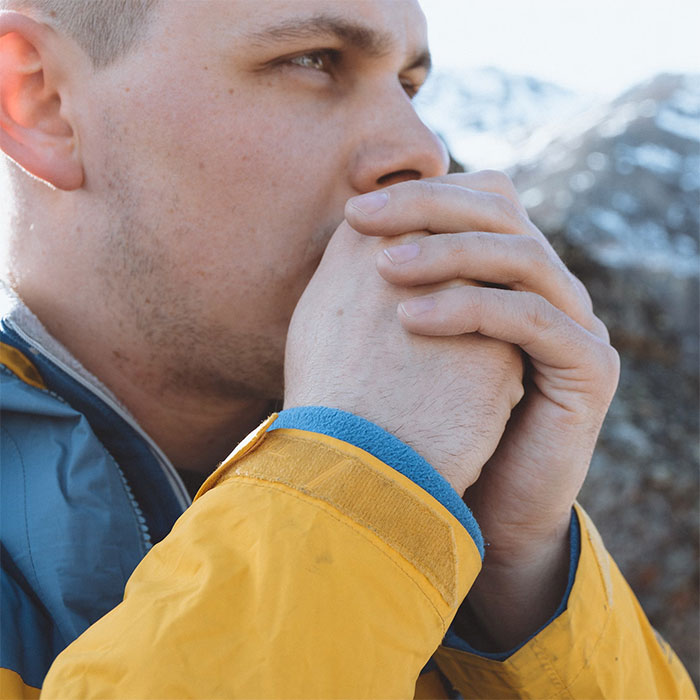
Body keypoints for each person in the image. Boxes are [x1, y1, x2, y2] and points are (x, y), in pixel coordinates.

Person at [0, 0, 695, 697]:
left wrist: (520, 575)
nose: (423, 149)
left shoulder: (454, 520)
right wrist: (353, 486)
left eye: (410, 86)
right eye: (312, 59)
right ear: (43, 101)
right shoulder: (377, 492)